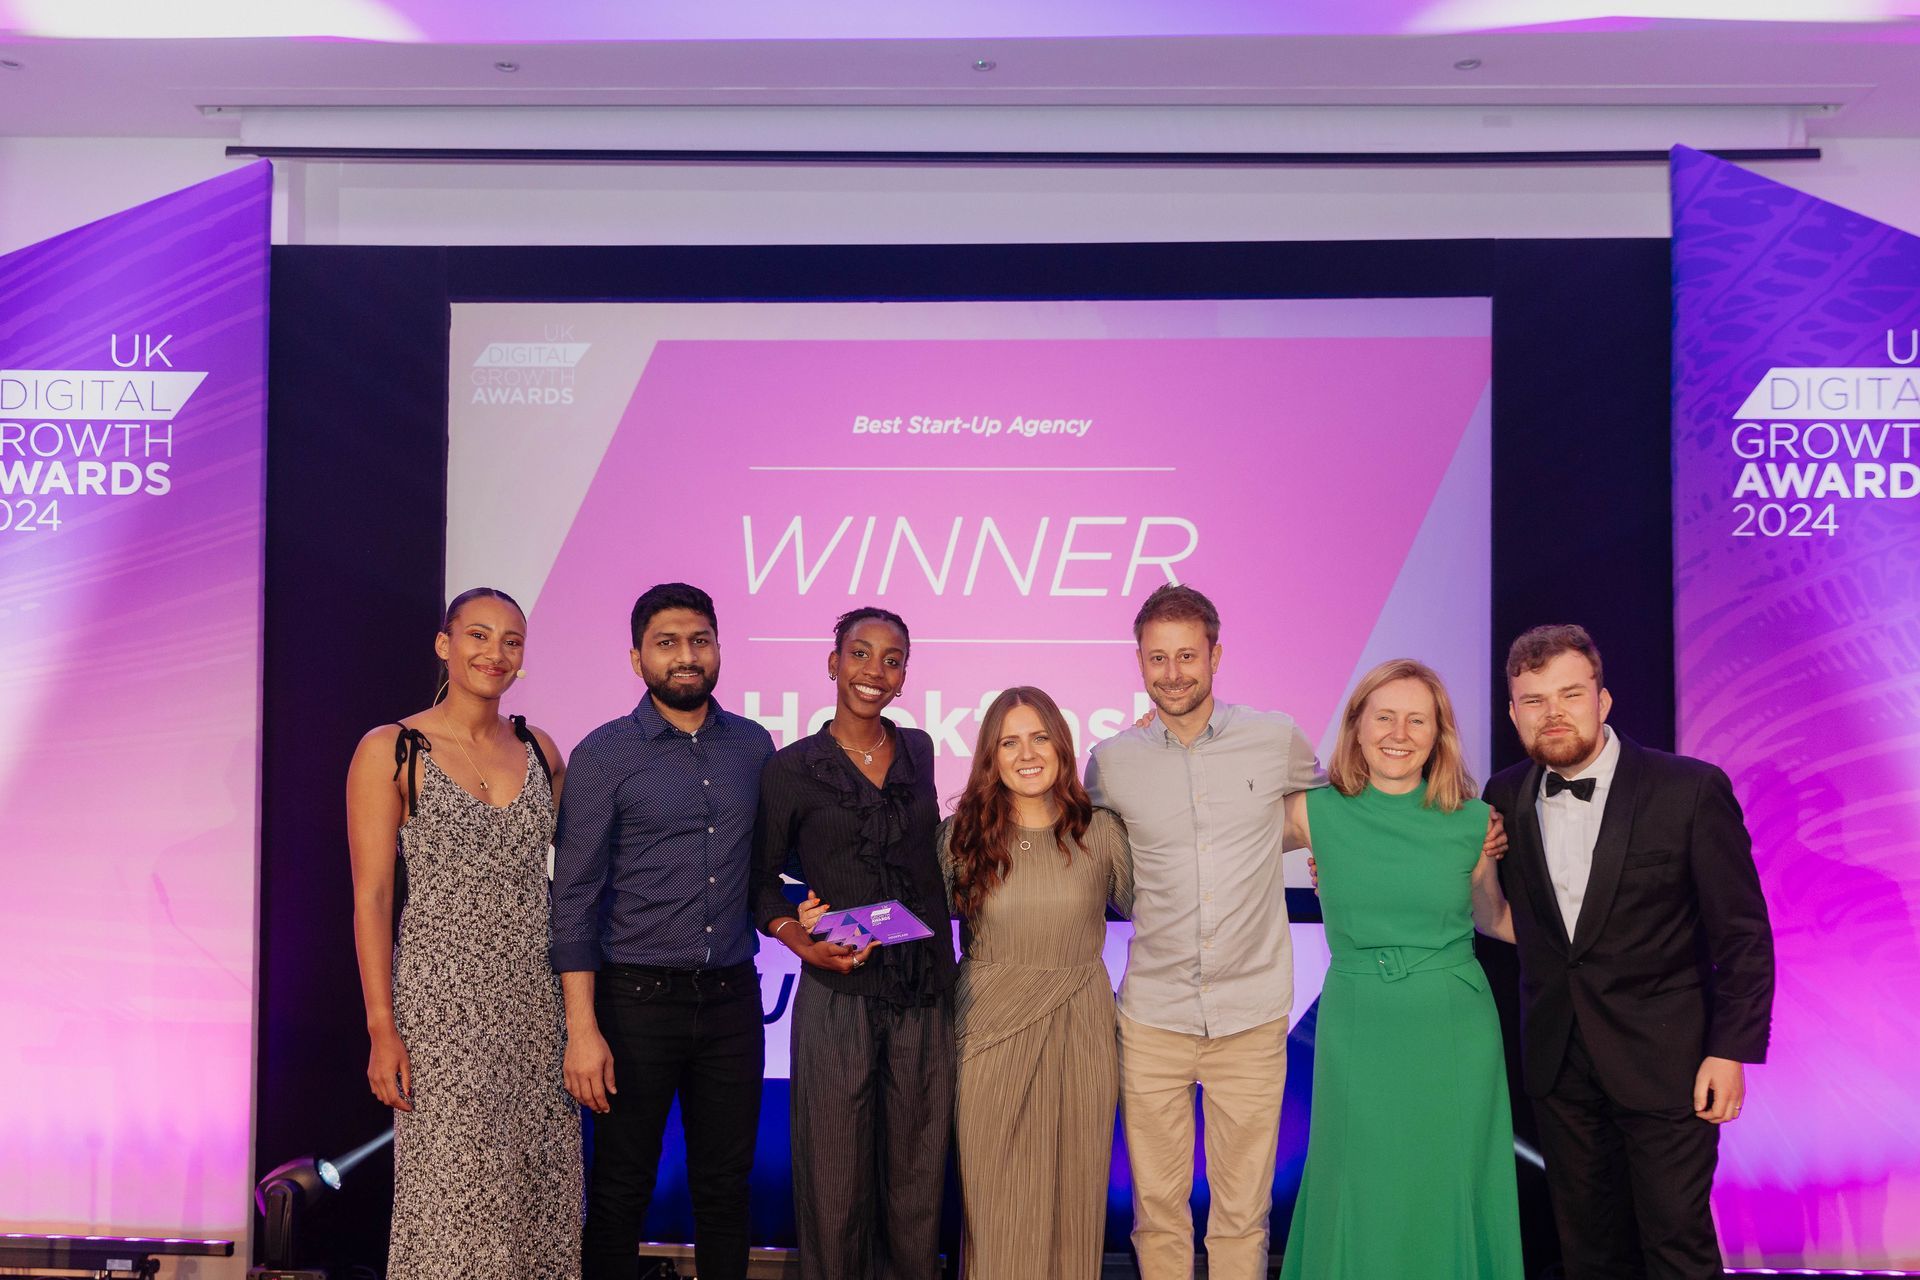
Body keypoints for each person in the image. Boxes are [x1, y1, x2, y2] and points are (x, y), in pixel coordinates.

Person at [1483, 624, 1774, 1280]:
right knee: (1588, 1250)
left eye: (1570, 694)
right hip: (1559, 1064)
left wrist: (1729, 1052)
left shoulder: (1689, 790)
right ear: (1512, 712)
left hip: (1668, 1062)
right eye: (1534, 700)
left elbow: (1743, 935)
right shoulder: (1504, 795)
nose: (1553, 713)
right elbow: (1515, 922)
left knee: (1676, 1245)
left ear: (1603, 700)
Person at [1082, 584, 1324, 1280]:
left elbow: (1341, 821)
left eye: (1188, 655)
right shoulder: (1111, 761)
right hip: (1153, 1018)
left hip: (1250, 1016)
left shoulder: (1276, 739)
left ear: (1216, 654)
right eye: (1158, 658)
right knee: (1157, 1213)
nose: (1173, 672)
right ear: (1138, 660)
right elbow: (1074, 852)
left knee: (1243, 1215)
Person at [345, 587, 581, 1280]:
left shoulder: (540, 749)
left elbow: (580, 875)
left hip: (537, 1002)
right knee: (450, 1200)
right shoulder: (392, 748)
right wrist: (382, 1026)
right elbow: (371, 898)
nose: (495, 652)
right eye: (478, 635)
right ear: (445, 645)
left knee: (537, 1196)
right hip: (440, 1006)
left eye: (511, 640)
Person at [549, 583, 776, 1280]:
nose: (686, 656)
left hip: (734, 1000)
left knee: (725, 1191)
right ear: (636, 658)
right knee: (620, 1191)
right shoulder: (603, 755)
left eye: (699, 641)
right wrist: (581, 1029)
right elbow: (575, 897)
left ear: (718, 649)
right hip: (634, 1003)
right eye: (668, 643)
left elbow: (774, 869)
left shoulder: (754, 746)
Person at [1277, 659, 1523, 1280]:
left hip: (1453, 1022)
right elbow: (1213, 831)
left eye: (1418, 719)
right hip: (1360, 1018)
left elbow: (1495, 918)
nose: (1399, 732)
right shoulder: (1312, 812)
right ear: (1356, 727)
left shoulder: (1473, 821)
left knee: (1449, 1177)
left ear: (1438, 734)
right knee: (1358, 1177)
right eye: (1384, 716)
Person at [751, 607, 955, 1280]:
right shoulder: (791, 769)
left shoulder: (920, 750)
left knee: (916, 1188)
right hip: (838, 993)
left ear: (904, 673)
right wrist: (800, 940)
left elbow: (929, 866)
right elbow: (760, 887)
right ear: (833, 662)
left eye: (892, 659)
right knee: (834, 1191)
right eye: (861, 654)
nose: (875, 671)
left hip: (923, 992)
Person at [927, 687, 1136, 1278]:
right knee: (998, 1211)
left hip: (1084, 1030)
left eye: (1039, 737)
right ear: (989, 757)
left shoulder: (1101, 834)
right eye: (1008, 741)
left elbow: (1166, 908)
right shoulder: (959, 837)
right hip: (988, 1034)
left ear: (1062, 747)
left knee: (1076, 1204)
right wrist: (822, 922)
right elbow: (909, 923)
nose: (1026, 753)